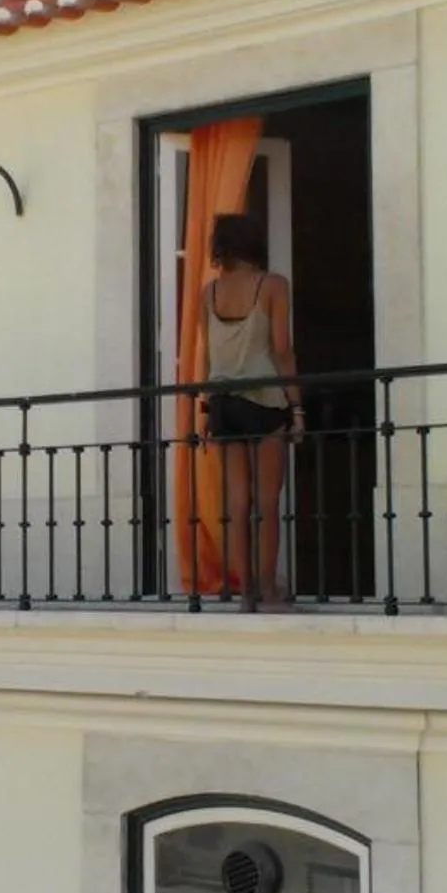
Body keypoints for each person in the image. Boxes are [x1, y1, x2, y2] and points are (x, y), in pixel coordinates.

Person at [195, 212, 301, 610]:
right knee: (268, 500)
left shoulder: (208, 293)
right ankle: (269, 590)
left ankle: (245, 592)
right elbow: (282, 349)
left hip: (222, 402)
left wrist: (204, 410)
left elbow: (207, 355)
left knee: (237, 501)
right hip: (264, 399)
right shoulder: (272, 285)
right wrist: (297, 407)